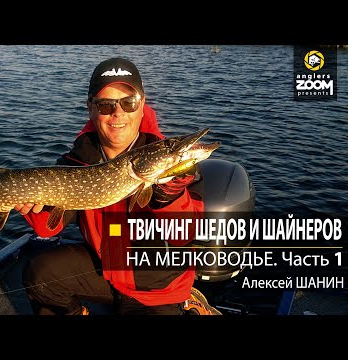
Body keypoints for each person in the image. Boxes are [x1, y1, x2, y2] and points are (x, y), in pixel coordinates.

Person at [14, 57, 222, 315]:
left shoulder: (177, 170)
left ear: (142, 105)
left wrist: (170, 194)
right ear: (90, 108)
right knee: (41, 273)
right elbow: (47, 227)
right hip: (105, 270)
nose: (118, 113)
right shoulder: (75, 162)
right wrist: (31, 205)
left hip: (156, 289)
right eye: (105, 105)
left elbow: (186, 233)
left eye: (128, 102)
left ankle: (191, 301)